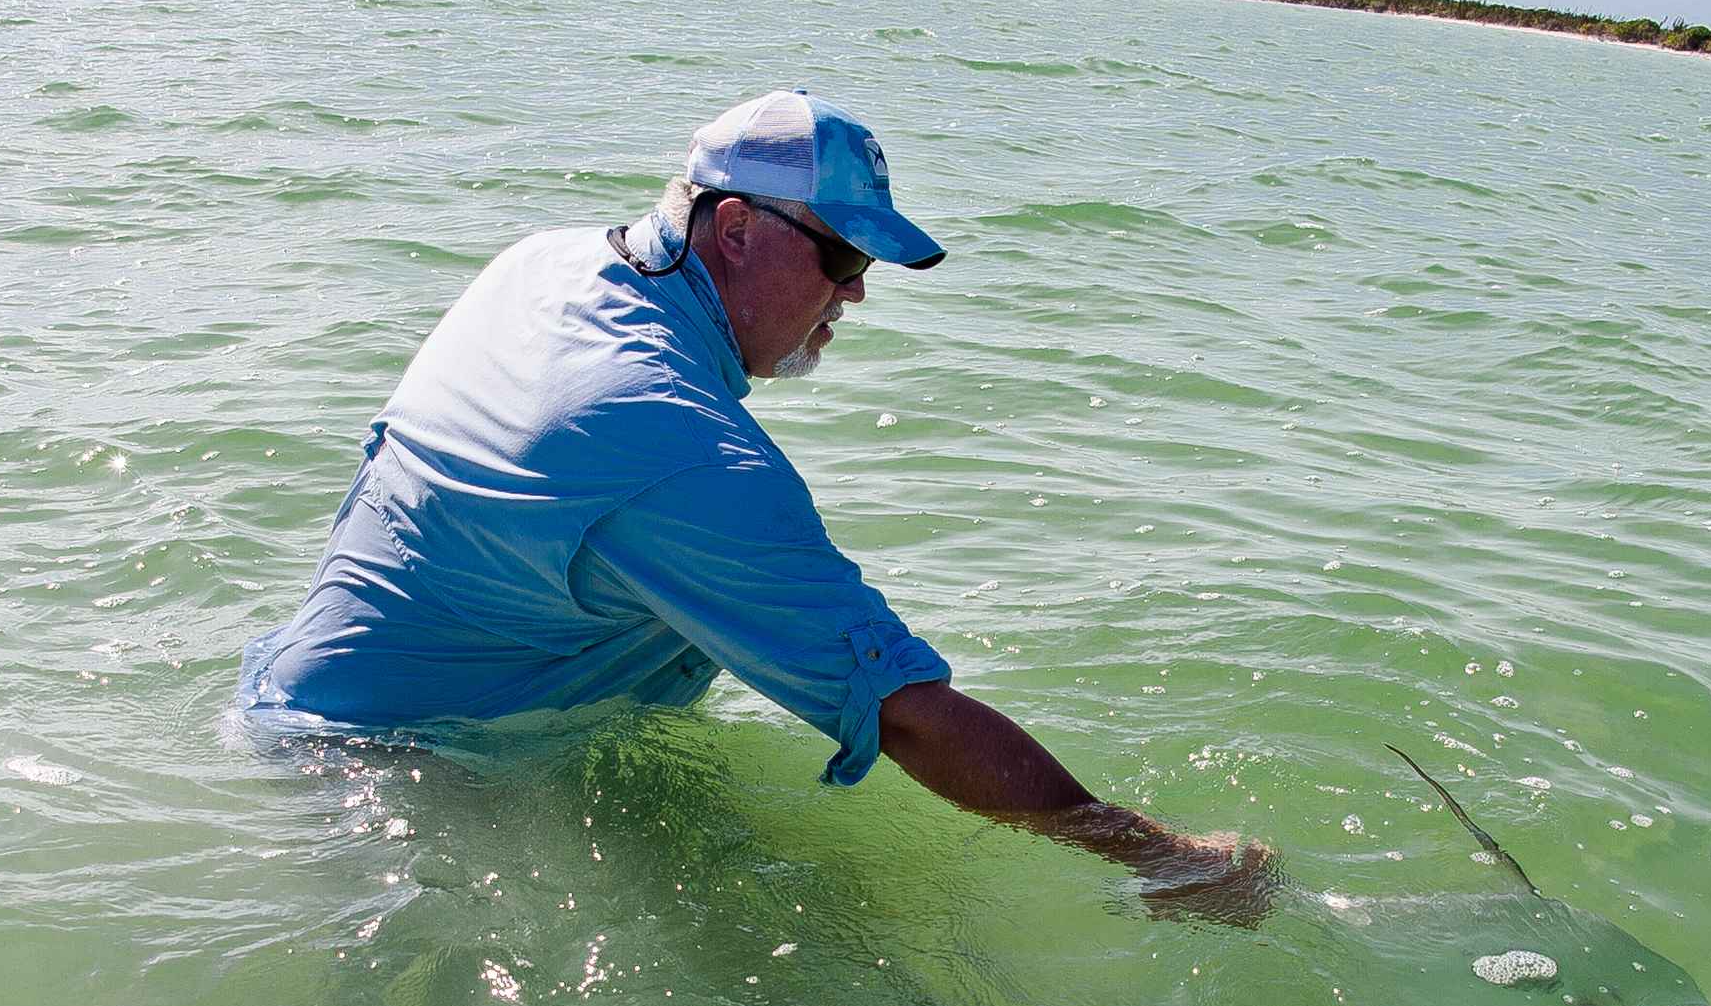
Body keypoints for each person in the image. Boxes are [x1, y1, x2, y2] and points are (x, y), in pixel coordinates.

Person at [237, 86, 1276, 920]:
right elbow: (906, 714)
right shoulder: (673, 444)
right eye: (842, 256)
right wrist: (1155, 857)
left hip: (309, 708)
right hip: (392, 790)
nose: (856, 292)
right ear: (733, 231)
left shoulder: (545, 263)